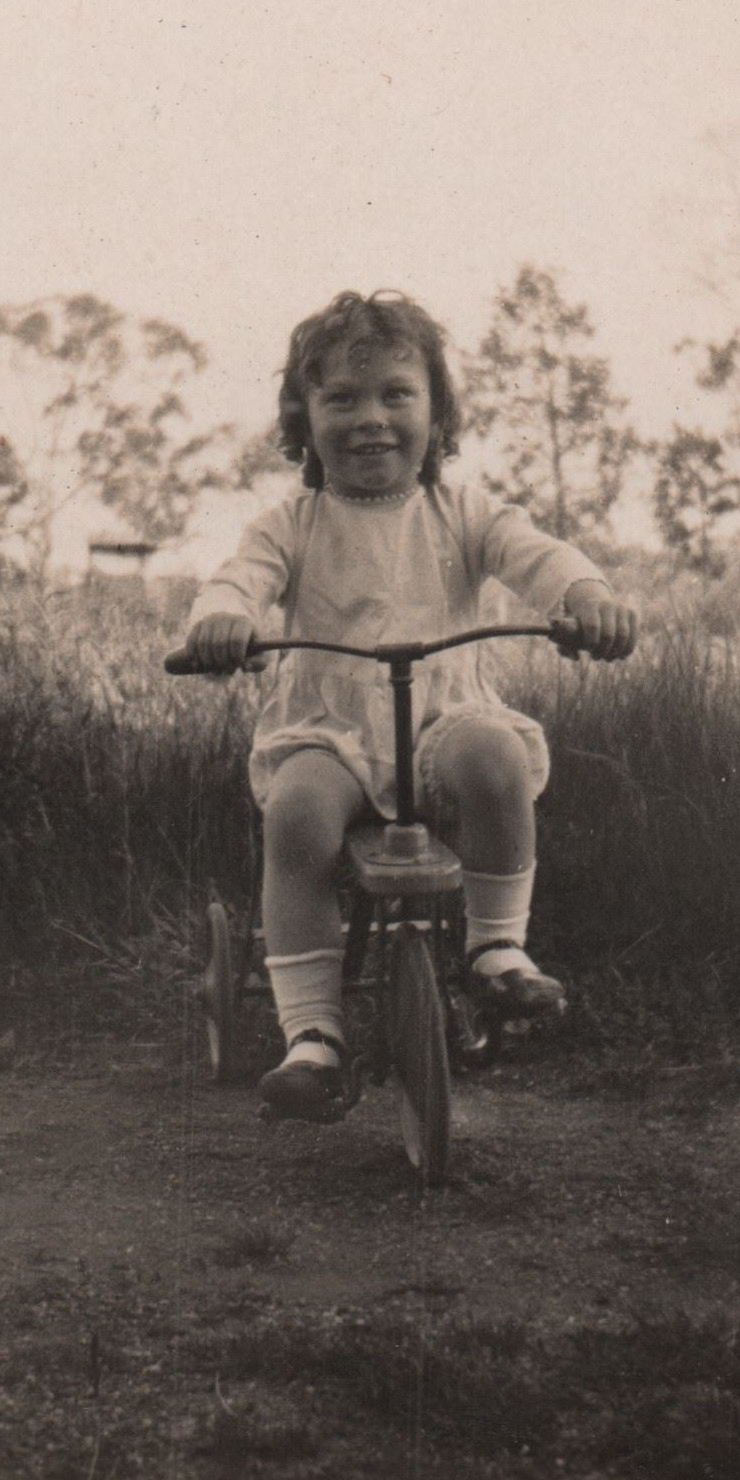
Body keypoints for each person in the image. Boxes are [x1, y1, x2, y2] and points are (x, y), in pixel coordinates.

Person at [184, 290, 637, 1122]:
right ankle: (314, 1038)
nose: (371, 419)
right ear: (303, 414)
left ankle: (496, 947)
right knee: (297, 812)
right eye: (341, 399)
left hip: (442, 721)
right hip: (329, 732)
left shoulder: (462, 514)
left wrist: (585, 593)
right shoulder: (294, 523)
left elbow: (534, 554)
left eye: (397, 394)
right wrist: (225, 619)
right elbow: (240, 577)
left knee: (495, 759)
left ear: (437, 410)